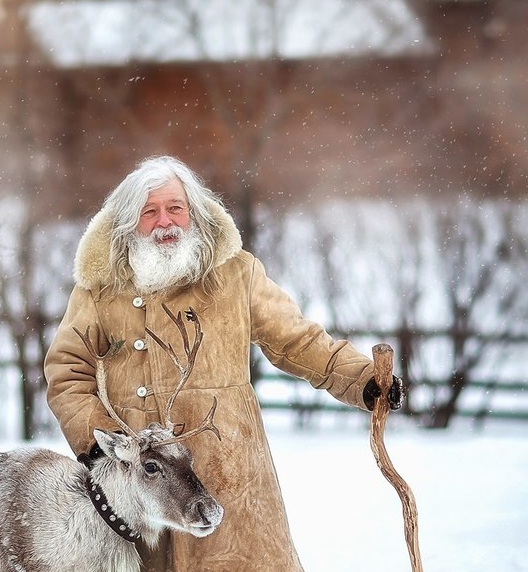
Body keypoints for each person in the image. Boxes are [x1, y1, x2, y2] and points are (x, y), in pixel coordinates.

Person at [43, 155, 403, 572]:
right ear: (129, 221)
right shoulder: (101, 289)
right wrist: (102, 448)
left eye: (175, 208)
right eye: (150, 211)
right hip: (141, 485)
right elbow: (67, 372)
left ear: (193, 212)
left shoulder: (236, 274)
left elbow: (298, 340)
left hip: (229, 466)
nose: (165, 222)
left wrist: (362, 379)